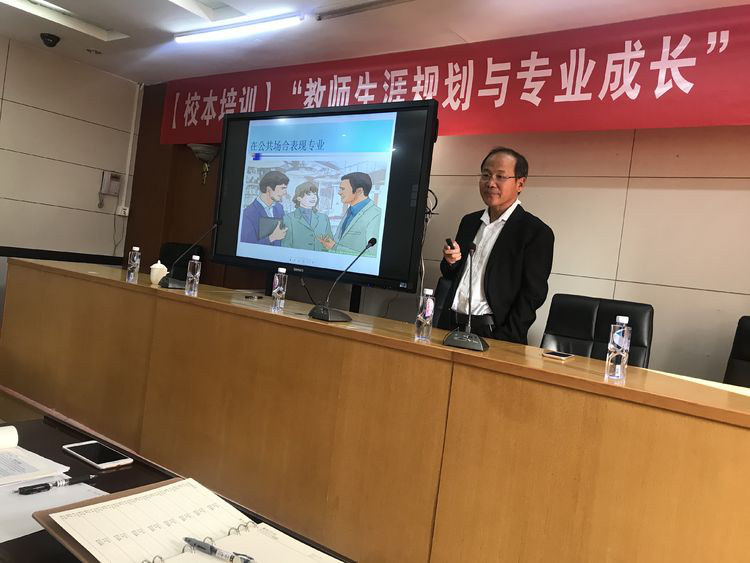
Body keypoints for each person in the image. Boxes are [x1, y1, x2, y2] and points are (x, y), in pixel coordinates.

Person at [437, 147, 554, 345]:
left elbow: (533, 295)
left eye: (500, 176)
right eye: (486, 175)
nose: (490, 183)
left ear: (520, 183)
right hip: (450, 327)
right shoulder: (469, 222)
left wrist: (506, 338)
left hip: (494, 334)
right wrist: (451, 262)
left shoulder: (535, 232)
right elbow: (450, 274)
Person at [320, 172, 381, 256]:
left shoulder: (376, 215)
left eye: (343, 189)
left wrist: (334, 247)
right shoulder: (350, 211)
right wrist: (331, 244)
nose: (339, 192)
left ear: (359, 191)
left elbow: (372, 255)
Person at [240, 170, 289, 245]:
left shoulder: (279, 208)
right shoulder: (248, 214)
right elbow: (247, 246)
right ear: (268, 189)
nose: (285, 192)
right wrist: (271, 238)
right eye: (282, 188)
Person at [282, 181, 334, 251]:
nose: (313, 197)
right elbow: (286, 246)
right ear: (299, 198)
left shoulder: (324, 218)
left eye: (315, 194)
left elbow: (330, 244)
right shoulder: (288, 218)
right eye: (309, 194)